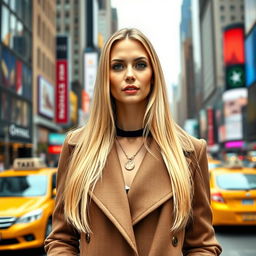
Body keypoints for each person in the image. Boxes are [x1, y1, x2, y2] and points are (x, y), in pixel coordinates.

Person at [45, 28, 222, 256]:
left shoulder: (189, 151)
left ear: (153, 74)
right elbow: (61, 239)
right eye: (118, 66)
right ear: (105, 77)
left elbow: (202, 245)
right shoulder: (77, 148)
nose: (130, 74)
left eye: (140, 65)